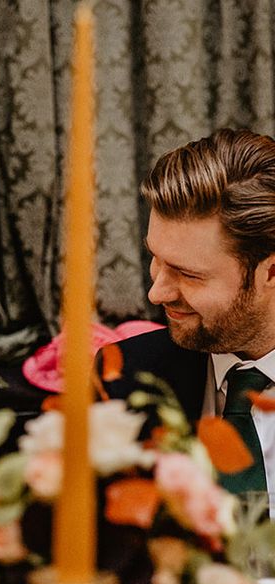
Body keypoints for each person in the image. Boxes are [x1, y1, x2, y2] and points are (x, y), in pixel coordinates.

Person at [104, 128, 275, 493]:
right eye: (156, 259)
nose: (156, 292)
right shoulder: (122, 376)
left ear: (271, 272)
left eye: (187, 274)